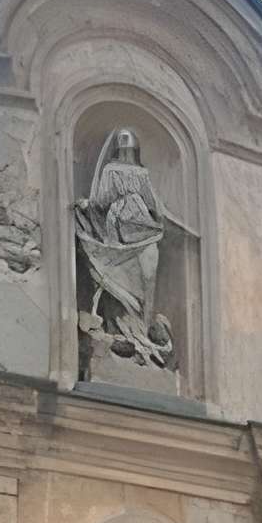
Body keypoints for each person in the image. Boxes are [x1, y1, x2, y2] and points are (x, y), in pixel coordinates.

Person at [75, 129, 175, 369]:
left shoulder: (124, 172)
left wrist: (90, 205)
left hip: (133, 231)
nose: (127, 153)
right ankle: (127, 332)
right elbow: (149, 205)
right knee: (129, 285)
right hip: (129, 230)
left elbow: (103, 200)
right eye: (126, 149)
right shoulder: (126, 172)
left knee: (139, 283)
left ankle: (139, 332)